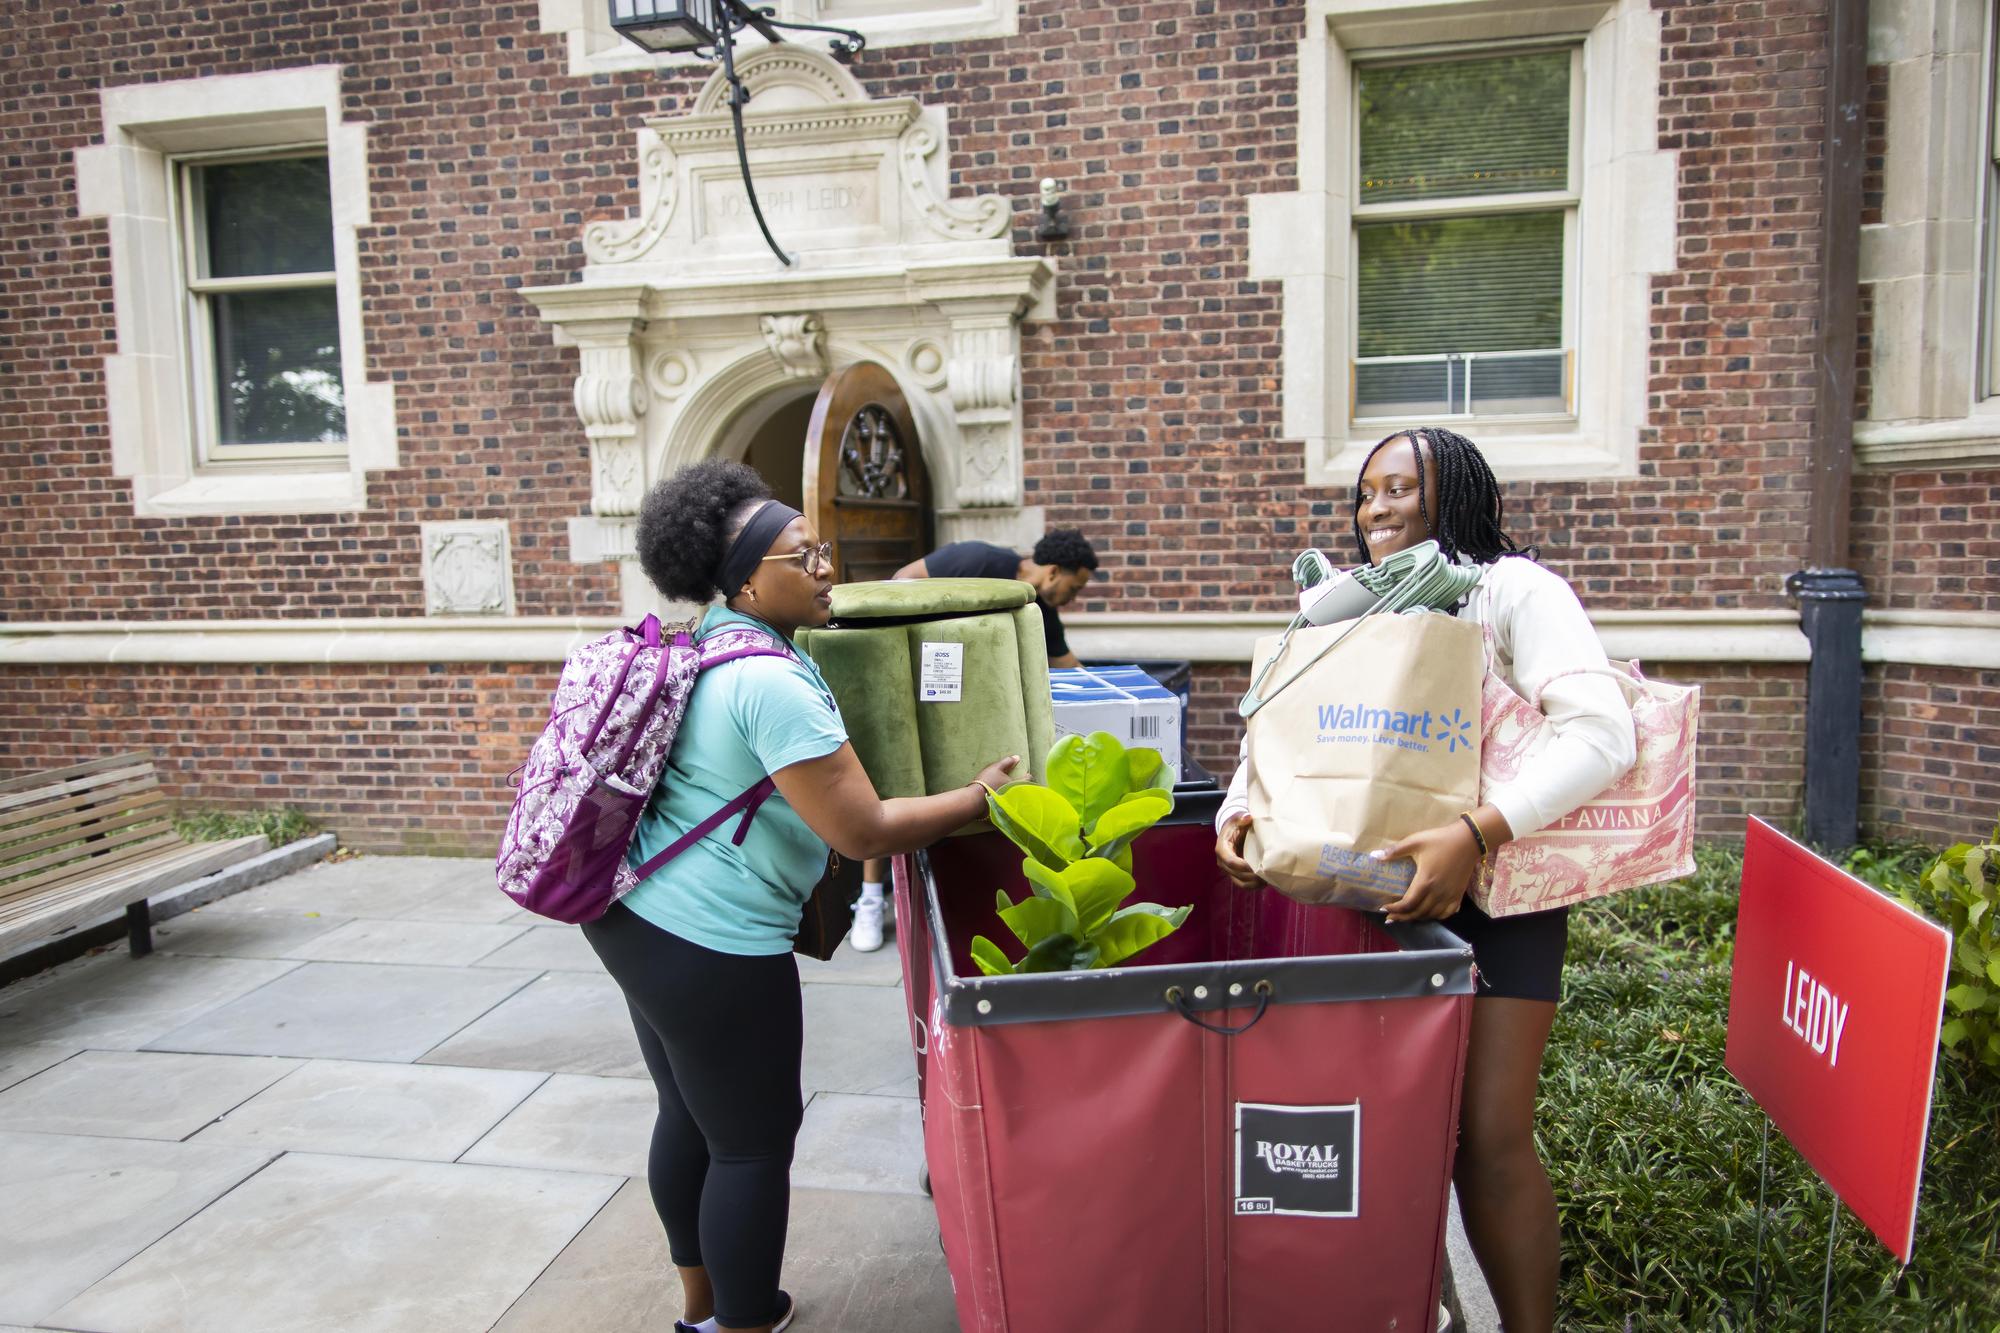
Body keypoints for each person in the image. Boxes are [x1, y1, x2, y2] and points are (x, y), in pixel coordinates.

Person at [1213, 427, 1636, 1333]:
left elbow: (1603, 735)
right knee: (1390, 1143)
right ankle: (1419, 1311)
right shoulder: (1345, 606)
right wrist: (1236, 816)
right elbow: (1283, 737)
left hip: (1499, 906)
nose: (1379, 509)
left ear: (1461, 494)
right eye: (1367, 492)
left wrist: (1474, 835)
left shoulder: (1515, 590)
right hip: (1365, 904)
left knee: (1487, 1142)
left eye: (1403, 487)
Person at [587, 458, 1018, 1333]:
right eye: (803, 556)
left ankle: (703, 1308)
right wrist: (980, 797)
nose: (827, 568)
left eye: (823, 548)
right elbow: (861, 831)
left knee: (691, 1113)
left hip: (634, 917)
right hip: (710, 941)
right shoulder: (771, 681)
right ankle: (746, 1321)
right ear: (747, 580)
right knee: (751, 1142)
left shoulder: (705, 641)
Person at [842, 528, 1102, 952]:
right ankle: (871, 898)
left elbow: (1073, 669)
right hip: (909, 680)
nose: (1074, 597)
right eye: (1076, 586)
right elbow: (904, 579)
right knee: (886, 780)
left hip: (968, 715)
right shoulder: (980, 559)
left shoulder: (1039, 612)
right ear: (1055, 571)